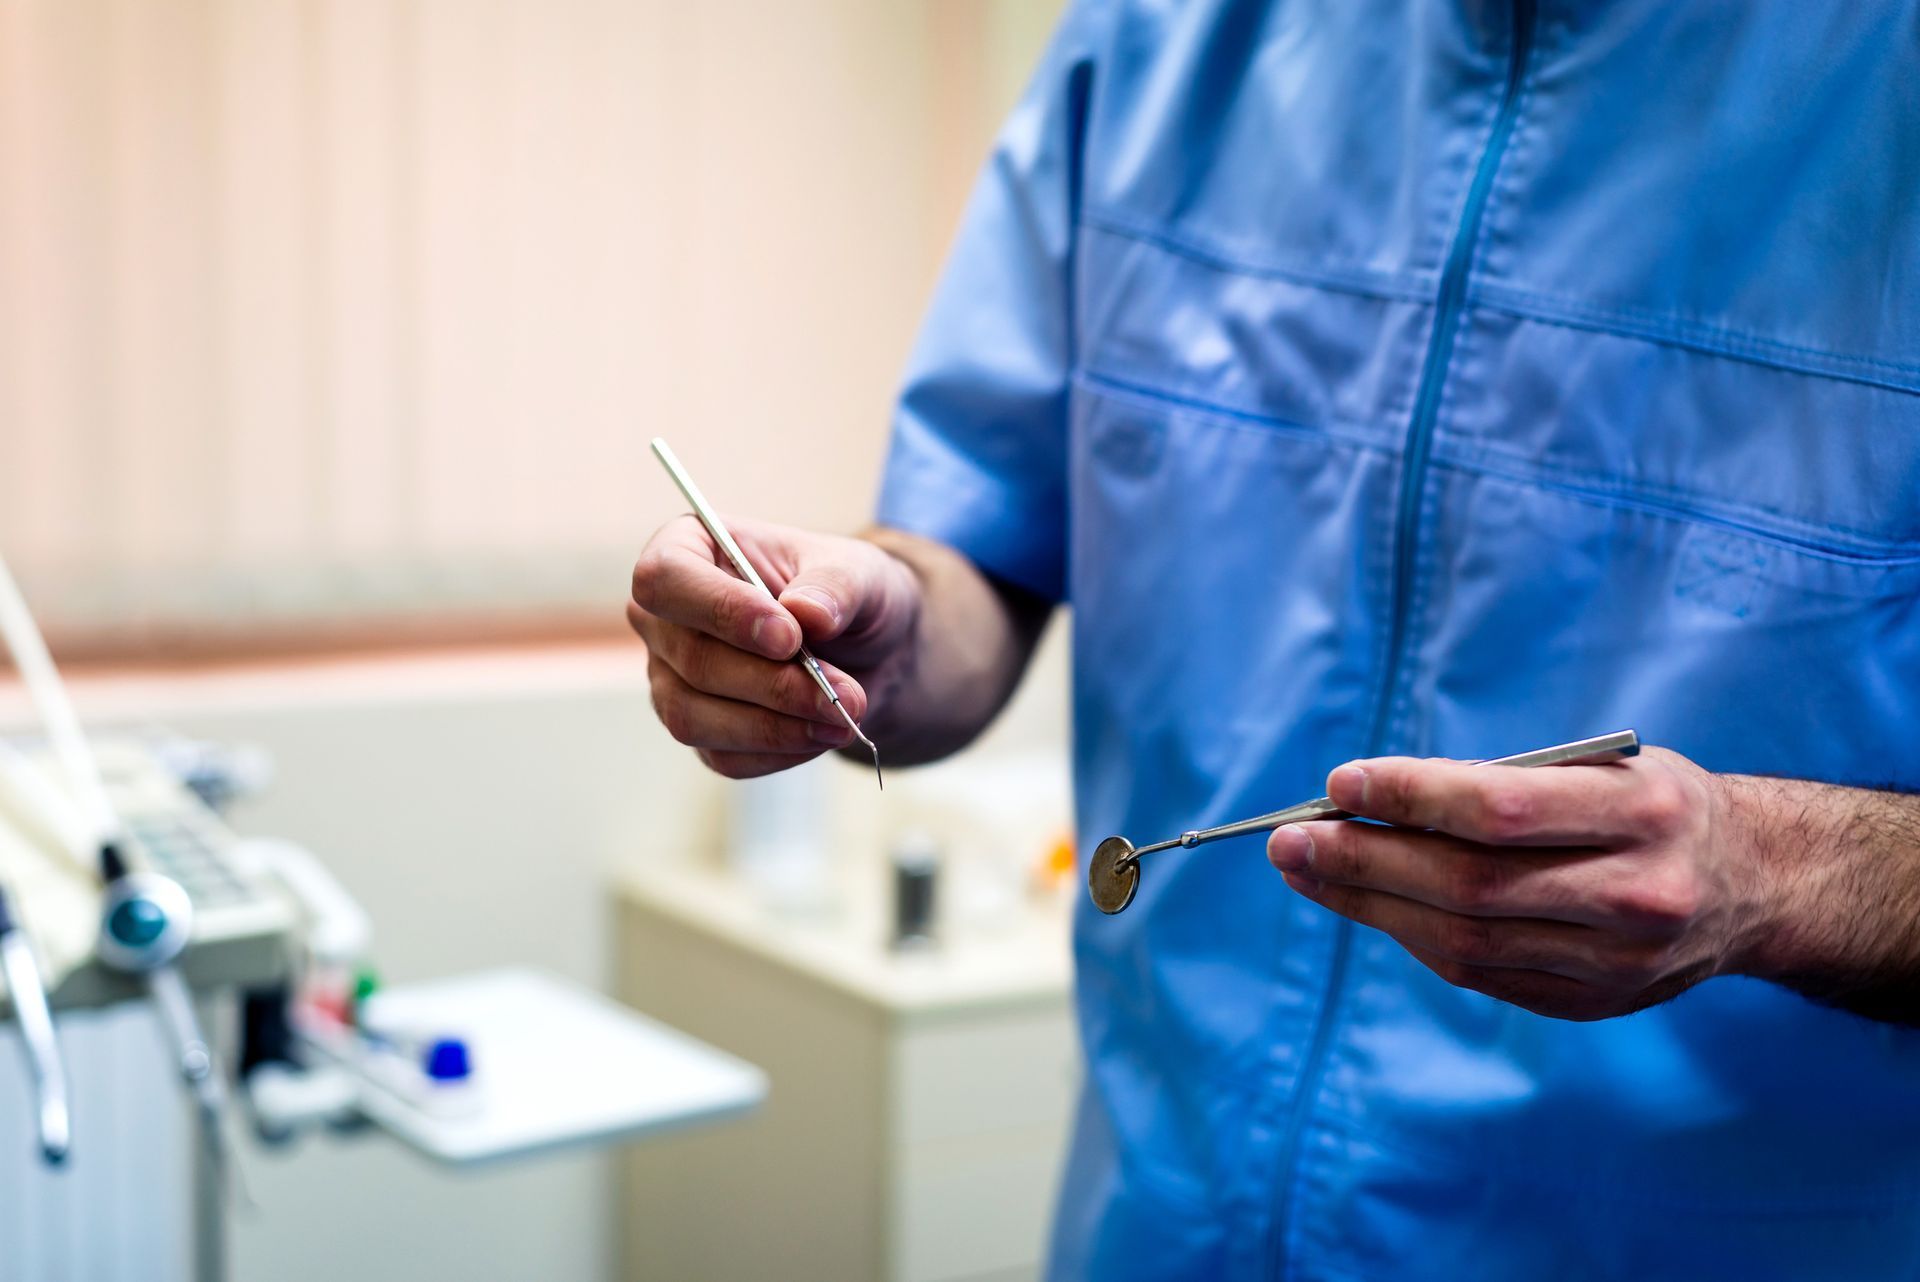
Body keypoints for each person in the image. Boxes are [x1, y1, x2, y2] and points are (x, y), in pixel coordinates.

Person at [627, 2, 1920, 1277]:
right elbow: (982, 554)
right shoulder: (1154, 43)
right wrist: (873, 637)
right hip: (1157, 1225)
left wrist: (1775, 874)